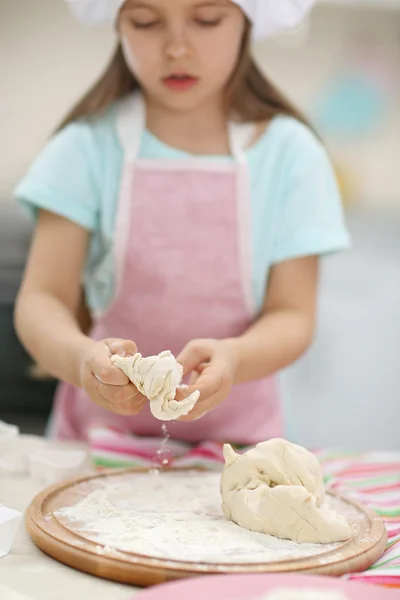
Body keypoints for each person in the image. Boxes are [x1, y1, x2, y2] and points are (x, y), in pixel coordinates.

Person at [14, 0, 349, 445]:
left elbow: (293, 314)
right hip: (98, 443)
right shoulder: (86, 148)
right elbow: (41, 300)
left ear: (246, 23)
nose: (176, 48)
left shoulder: (291, 155)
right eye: (147, 22)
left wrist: (235, 358)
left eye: (206, 20)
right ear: (119, 25)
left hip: (238, 448)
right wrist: (82, 361)